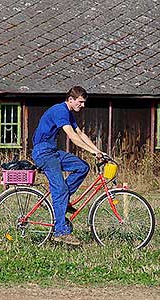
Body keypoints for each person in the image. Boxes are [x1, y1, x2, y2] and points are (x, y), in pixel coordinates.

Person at [32, 86, 104, 246]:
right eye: (81, 102)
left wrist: (98, 151)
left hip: (52, 151)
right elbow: (72, 136)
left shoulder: (68, 113)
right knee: (60, 190)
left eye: (84, 102)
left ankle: (61, 201)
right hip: (43, 153)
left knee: (83, 167)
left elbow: (80, 134)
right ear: (70, 100)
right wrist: (92, 152)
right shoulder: (60, 110)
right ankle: (60, 232)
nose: (83, 105)